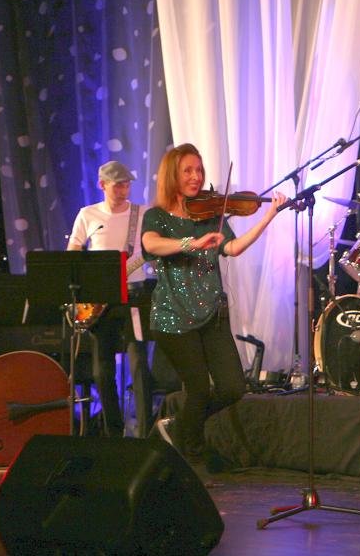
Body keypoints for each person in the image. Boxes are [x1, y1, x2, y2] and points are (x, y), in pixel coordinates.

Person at [141, 143, 286, 470]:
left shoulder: (210, 215)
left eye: (199, 170)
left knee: (233, 386)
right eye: (188, 171)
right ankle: (193, 453)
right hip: (173, 317)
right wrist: (190, 243)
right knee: (198, 389)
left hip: (212, 314)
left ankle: (178, 428)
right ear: (172, 176)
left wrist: (268, 217)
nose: (196, 177)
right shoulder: (157, 217)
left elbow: (232, 248)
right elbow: (151, 244)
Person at [67, 160, 153, 437]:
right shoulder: (87, 214)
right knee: (101, 370)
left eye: (127, 183)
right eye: (117, 184)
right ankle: (113, 432)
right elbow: (73, 254)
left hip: (134, 296)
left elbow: (152, 248)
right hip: (100, 300)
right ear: (102, 185)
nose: (123, 189)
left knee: (139, 364)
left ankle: (144, 433)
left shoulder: (142, 214)